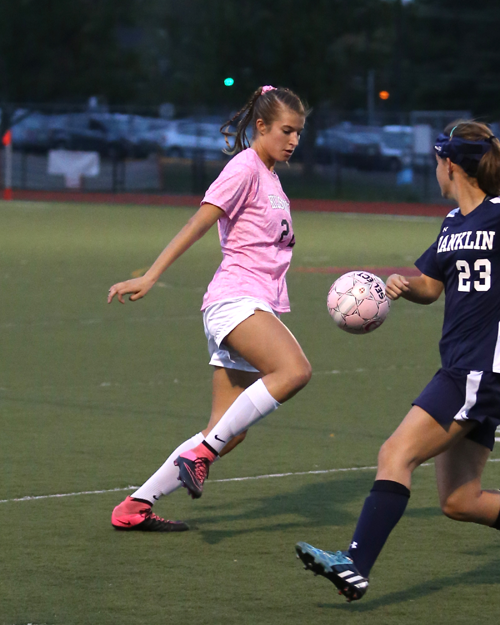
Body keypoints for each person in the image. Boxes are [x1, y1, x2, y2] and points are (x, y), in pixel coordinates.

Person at [296, 120, 500, 600]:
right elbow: (434, 284)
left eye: (436, 163)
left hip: (478, 370)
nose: (435, 171)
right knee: (458, 500)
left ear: (450, 165)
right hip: (464, 366)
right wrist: (407, 287)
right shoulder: (453, 224)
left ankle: (355, 564)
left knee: (395, 453)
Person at [108, 85, 312, 532]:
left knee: (227, 431)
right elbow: (198, 222)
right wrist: (150, 274)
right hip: (235, 301)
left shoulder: (272, 177)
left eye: (299, 132)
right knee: (295, 371)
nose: (294, 139)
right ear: (261, 127)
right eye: (286, 130)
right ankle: (198, 456)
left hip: (252, 303)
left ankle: (134, 507)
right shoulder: (245, 168)